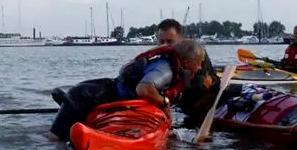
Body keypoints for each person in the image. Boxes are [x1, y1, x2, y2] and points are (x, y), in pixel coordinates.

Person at [49, 38, 207, 142]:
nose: (200, 68)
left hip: (104, 93)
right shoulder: (165, 70)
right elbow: (144, 89)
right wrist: (165, 101)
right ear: (187, 62)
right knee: (55, 140)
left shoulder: (173, 69)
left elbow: (156, 96)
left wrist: (167, 126)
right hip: (85, 97)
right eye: (199, 63)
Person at [156, 18, 221, 118]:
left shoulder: (195, 54)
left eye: (169, 41)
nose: (165, 46)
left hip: (197, 97)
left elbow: (197, 87)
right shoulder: (159, 58)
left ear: (180, 39)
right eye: (161, 42)